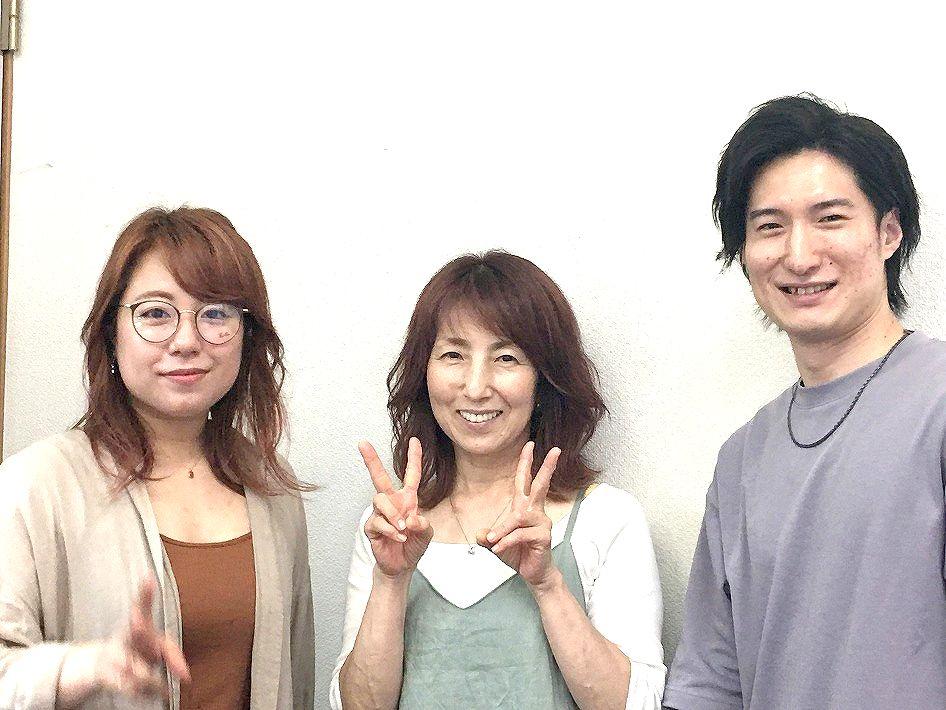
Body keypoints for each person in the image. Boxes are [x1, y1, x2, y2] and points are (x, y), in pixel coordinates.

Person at [663, 95, 946, 708]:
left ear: (889, 231)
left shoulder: (938, 403)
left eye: (829, 218)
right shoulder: (741, 459)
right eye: (769, 226)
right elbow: (710, 682)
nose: (798, 255)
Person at [0, 207, 315, 709]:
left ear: (247, 334)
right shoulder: (34, 485)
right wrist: (83, 667)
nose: (186, 341)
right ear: (112, 333)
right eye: (155, 313)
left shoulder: (271, 487)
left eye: (216, 314)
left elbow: (295, 682)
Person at [331, 251, 665, 709]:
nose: (475, 387)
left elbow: (634, 704)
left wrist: (547, 584)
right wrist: (391, 579)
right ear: (424, 373)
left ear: (545, 380)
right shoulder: (389, 526)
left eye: (506, 358)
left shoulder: (607, 518)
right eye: (453, 355)